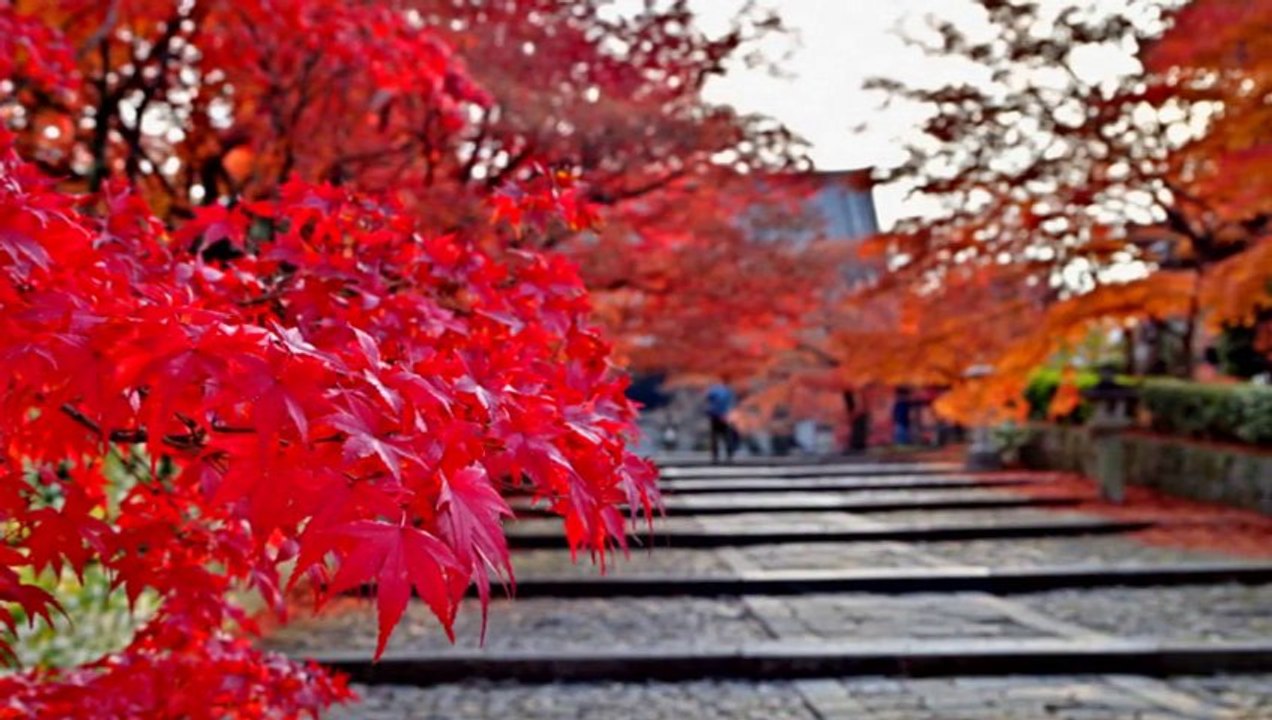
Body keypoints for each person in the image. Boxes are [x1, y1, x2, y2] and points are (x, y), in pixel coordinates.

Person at [704, 379, 738, 464]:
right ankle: (729, 455)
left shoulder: (713, 390)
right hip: (724, 416)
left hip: (715, 416)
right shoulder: (728, 391)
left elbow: (708, 398)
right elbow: (731, 403)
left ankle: (715, 456)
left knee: (715, 437)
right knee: (726, 436)